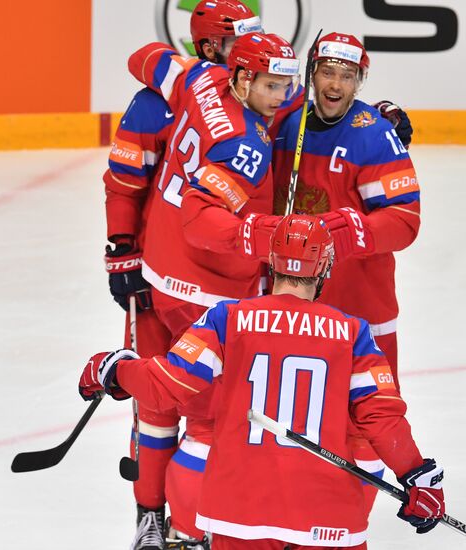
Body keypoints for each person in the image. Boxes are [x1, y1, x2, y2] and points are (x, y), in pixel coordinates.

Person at [79, 214, 445, 549]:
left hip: (239, 514)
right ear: (325, 267)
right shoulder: (352, 333)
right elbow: (382, 418)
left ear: (273, 263)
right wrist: (416, 475)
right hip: (327, 516)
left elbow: (167, 384)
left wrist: (113, 369)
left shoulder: (227, 319)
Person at [102, 2, 264, 547]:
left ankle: (194, 516)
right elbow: (124, 181)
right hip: (159, 277)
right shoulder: (156, 105)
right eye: (238, 38)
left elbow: (145, 55)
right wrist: (121, 247)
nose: (249, 45)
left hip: (184, 275)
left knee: (192, 403)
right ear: (211, 46)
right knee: (164, 405)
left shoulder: (212, 86)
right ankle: (154, 516)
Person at [272, 32, 421, 514]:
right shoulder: (286, 122)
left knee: (363, 421)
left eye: (348, 75)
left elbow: (405, 220)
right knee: (287, 412)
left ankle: (346, 523)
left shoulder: (374, 134)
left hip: (361, 305)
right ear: (312, 73)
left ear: (360, 80)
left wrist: (345, 229)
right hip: (292, 303)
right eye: (328, 72)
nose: (336, 84)